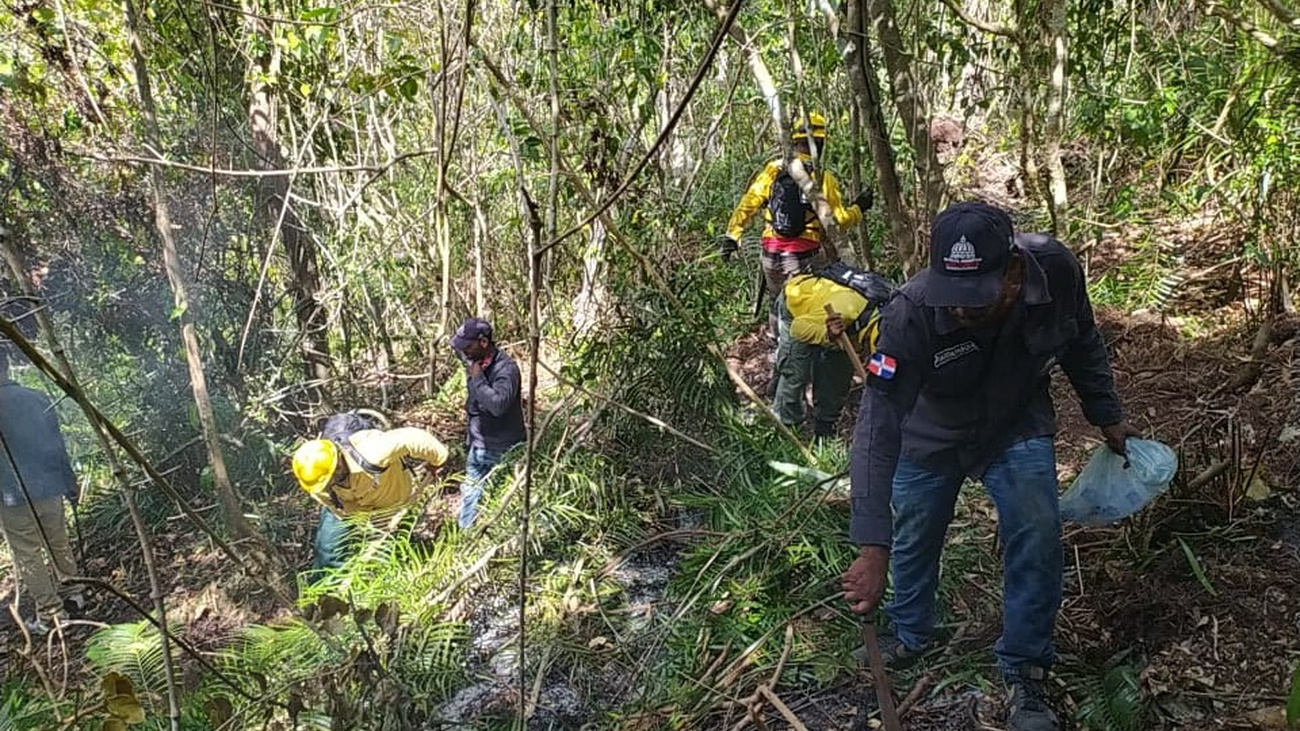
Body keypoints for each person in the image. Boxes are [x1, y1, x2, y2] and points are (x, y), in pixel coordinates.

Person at [840, 201, 1139, 731]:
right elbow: (877, 423)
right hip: (929, 435)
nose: (960, 311)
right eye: (952, 300)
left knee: (1037, 527)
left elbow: (1083, 341)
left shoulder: (1057, 271)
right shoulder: (910, 311)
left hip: (1014, 421)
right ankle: (910, 634)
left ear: (1014, 272)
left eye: (975, 301)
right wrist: (871, 544)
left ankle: (1025, 667)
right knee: (914, 532)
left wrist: (1106, 415)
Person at [719, 112, 873, 309]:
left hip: (771, 255)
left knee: (777, 303)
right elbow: (838, 222)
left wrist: (732, 234)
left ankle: (776, 338)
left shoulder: (774, 169)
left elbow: (748, 204)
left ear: (795, 142)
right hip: (804, 257)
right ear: (820, 143)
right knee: (806, 309)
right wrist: (859, 208)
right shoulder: (822, 178)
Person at [0, 349, 85, 634]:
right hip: (49, 486)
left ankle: (51, 615)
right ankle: (75, 596)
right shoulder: (37, 398)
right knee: (58, 541)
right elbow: (56, 444)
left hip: (11, 495)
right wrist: (69, 479)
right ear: (8, 364)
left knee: (28, 553)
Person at [292, 419, 448, 573]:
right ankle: (328, 591)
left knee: (388, 552)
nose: (327, 486)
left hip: (392, 496)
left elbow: (412, 438)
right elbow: (338, 508)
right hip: (355, 506)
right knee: (328, 549)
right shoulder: (317, 486)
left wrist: (438, 460)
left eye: (330, 480)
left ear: (338, 464)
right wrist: (363, 524)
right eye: (325, 484)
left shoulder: (372, 452)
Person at [772, 263, 893, 437]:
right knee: (796, 372)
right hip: (797, 308)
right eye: (866, 353)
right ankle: (787, 430)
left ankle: (825, 430)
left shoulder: (894, 323)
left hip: (843, 328)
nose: (865, 359)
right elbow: (798, 328)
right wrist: (827, 335)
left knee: (837, 374)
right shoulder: (844, 311)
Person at [450, 317, 525, 529]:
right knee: (471, 492)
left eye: (468, 346)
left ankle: (504, 536)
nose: (464, 351)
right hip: (477, 445)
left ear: (483, 342)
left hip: (504, 447)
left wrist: (477, 379)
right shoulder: (476, 361)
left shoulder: (506, 370)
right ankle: (466, 536)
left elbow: (498, 405)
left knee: (506, 496)